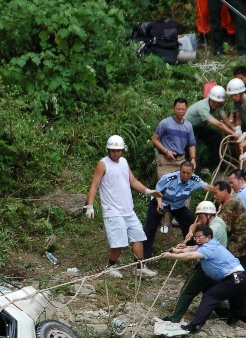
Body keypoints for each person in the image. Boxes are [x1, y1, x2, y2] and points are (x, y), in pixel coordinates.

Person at [162, 225, 246, 335]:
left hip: (235, 278)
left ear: (208, 237)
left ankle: (195, 325)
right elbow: (191, 249)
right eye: (195, 237)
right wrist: (176, 250)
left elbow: (190, 256)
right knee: (238, 310)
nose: (197, 239)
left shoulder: (209, 247)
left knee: (210, 295)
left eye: (200, 237)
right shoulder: (208, 245)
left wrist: (171, 256)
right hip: (242, 279)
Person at [85, 135, 161, 277]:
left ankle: (139, 267)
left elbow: (132, 181)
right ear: (108, 150)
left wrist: (149, 191)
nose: (116, 153)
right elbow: (94, 185)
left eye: (118, 150)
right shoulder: (103, 164)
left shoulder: (124, 162)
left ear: (122, 151)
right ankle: (111, 266)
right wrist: (90, 206)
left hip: (128, 209)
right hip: (112, 210)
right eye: (113, 150)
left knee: (138, 236)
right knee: (118, 242)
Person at [160, 200, 229, 324]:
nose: (200, 220)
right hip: (217, 267)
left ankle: (174, 317)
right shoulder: (218, 222)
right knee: (210, 291)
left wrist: (172, 255)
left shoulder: (213, 230)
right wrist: (190, 233)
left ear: (209, 215)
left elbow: (194, 254)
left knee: (187, 290)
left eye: (201, 216)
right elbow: (196, 226)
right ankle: (228, 313)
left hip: (207, 266)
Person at [142, 161, 213, 262]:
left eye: (188, 173)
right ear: (179, 171)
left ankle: (191, 252)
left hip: (178, 206)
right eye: (183, 172)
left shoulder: (195, 180)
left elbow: (207, 187)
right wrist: (159, 203)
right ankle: (145, 257)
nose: (185, 175)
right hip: (161, 202)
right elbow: (157, 192)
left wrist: (220, 190)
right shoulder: (168, 178)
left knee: (190, 221)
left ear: (192, 172)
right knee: (150, 228)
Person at [152, 97, 197, 234]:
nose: (180, 111)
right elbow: (154, 139)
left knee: (184, 188)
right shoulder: (165, 123)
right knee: (166, 190)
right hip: (166, 161)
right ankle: (164, 221)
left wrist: (193, 158)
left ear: (186, 109)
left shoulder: (188, 126)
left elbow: (192, 144)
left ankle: (180, 219)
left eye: (183, 109)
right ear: (173, 109)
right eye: (178, 108)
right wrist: (166, 151)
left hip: (181, 161)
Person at [185, 85, 237, 165]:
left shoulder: (218, 107)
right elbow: (219, 124)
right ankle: (195, 174)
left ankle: (216, 164)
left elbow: (225, 121)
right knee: (195, 150)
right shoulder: (203, 107)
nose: (216, 104)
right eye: (214, 101)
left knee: (216, 136)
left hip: (200, 126)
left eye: (218, 102)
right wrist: (233, 134)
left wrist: (234, 129)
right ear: (210, 98)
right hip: (187, 129)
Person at [213, 181, 246, 262]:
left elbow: (223, 227)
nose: (215, 196)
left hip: (236, 248)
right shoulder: (230, 203)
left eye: (216, 193)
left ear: (225, 191)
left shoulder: (231, 205)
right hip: (239, 246)